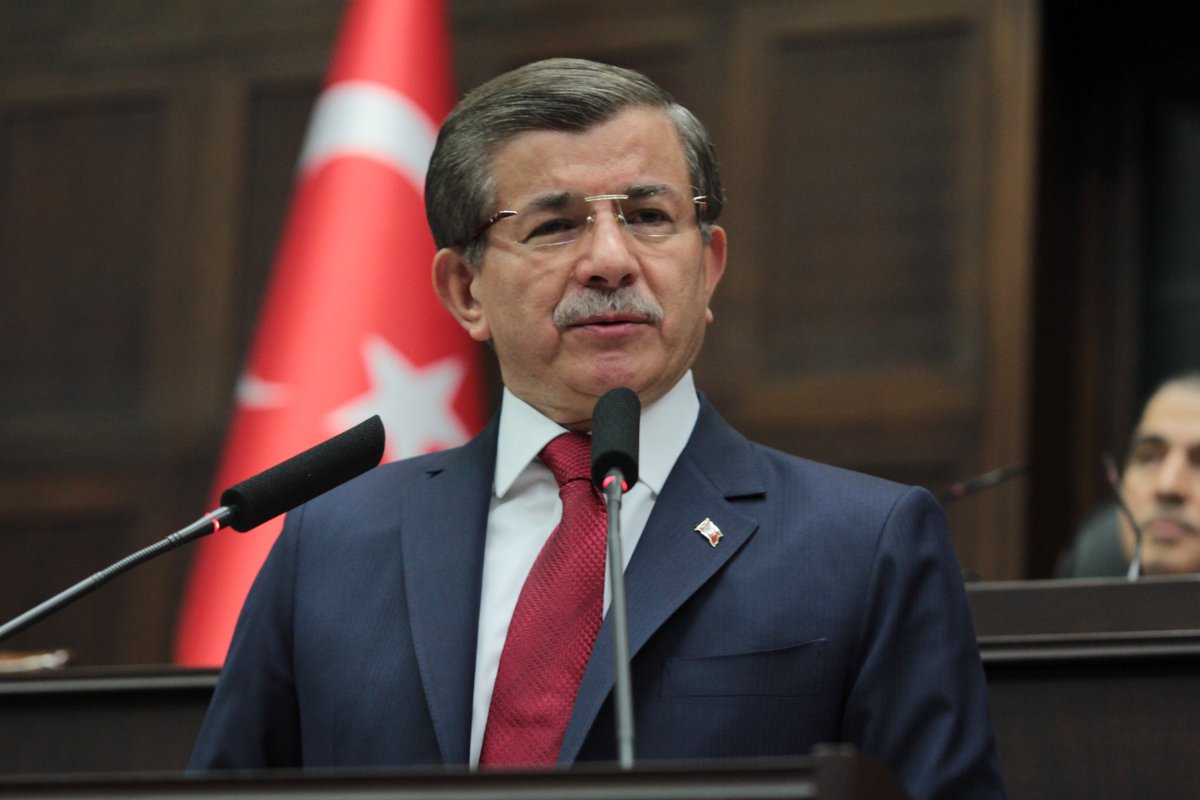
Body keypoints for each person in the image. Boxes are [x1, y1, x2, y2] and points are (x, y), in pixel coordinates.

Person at [189, 58, 1006, 799]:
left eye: (648, 216)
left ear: (708, 265)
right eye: (554, 226)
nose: (611, 260)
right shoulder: (332, 544)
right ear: (466, 290)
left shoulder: (864, 544)